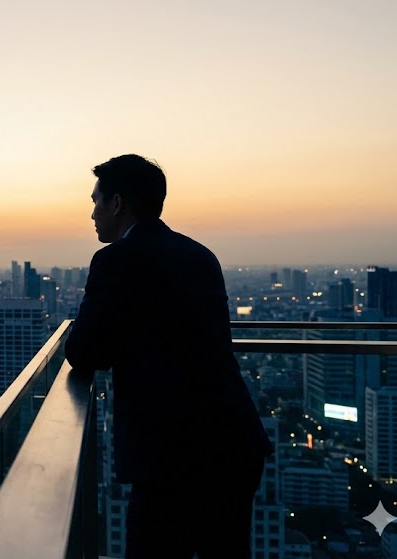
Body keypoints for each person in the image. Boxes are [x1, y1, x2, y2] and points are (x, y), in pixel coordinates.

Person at [64, 154, 274, 558]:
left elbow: (84, 352)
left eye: (96, 201)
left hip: (171, 454)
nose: (92, 214)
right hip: (233, 440)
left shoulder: (115, 261)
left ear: (118, 203)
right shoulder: (199, 254)